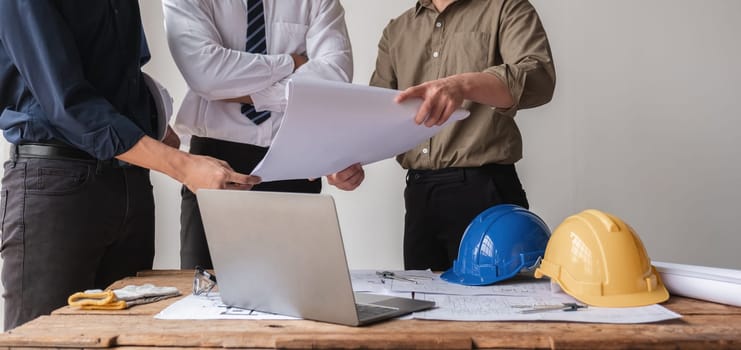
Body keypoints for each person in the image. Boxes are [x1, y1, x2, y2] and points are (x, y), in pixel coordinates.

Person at [0, 1, 260, 330]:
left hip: (129, 182)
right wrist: (183, 167)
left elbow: (120, 74)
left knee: (131, 335)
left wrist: (151, 118)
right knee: (47, 337)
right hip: (56, 188)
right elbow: (65, 101)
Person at [163, 0, 364, 270]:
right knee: (204, 296)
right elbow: (206, 74)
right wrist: (291, 63)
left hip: (294, 162)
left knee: (300, 294)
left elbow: (335, 76)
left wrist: (249, 94)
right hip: (213, 166)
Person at [370, 0, 556, 271]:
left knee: (498, 309)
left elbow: (539, 78)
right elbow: (379, 112)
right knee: (423, 310)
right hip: (420, 196)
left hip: (485, 192)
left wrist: (462, 85)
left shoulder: (506, 8)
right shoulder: (397, 29)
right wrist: (344, 159)